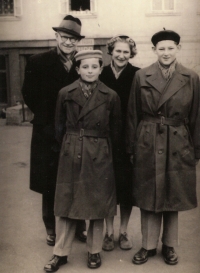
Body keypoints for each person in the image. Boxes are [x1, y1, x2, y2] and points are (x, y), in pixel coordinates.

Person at [126, 29, 200, 265]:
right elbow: (132, 114)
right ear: (154, 50)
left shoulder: (191, 77)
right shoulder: (142, 76)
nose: (166, 53)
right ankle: (147, 246)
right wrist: (131, 147)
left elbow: (197, 115)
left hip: (178, 141)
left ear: (178, 49)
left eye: (170, 48)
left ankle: (169, 246)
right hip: (148, 139)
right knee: (149, 194)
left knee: (173, 193)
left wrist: (196, 149)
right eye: (161, 48)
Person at [44, 50, 121, 272]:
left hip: (99, 153)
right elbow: (59, 127)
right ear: (77, 70)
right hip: (71, 150)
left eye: (94, 67)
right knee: (66, 203)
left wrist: (105, 153)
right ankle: (60, 253)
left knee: (96, 203)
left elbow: (115, 130)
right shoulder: (65, 93)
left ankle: (94, 250)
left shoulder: (111, 96)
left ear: (100, 69)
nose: (90, 71)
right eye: (85, 67)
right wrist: (69, 147)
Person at [22, 15, 87, 246]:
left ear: (78, 41)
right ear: (57, 36)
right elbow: (28, 94)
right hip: (47, 130)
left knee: (77, 179)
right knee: (50, 181)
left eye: (74, 39)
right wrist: (49, 121)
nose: (69, 42)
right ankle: (51, 228)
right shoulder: (38, 62)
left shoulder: (82, 63)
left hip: (75, 131)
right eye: (65, 37)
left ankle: (80, 225)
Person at [99, 35, 140, 251]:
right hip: (103, 138)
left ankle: (123, 231)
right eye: (118, 51)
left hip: (128, 138)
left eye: (126, 52)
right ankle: (108, 232)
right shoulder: (101, 73)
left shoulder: (137, 74)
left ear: (131, 54)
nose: (121, 55)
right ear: (111, 52)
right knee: (106, 185)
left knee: (125, 187)